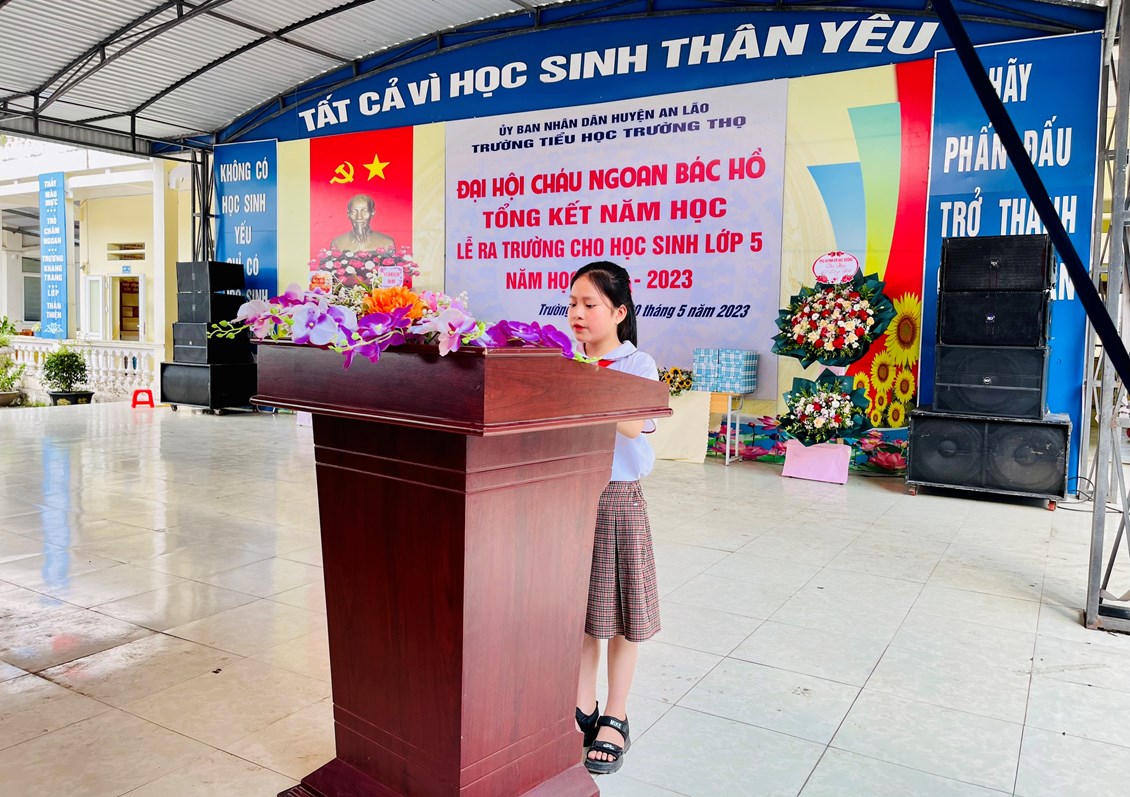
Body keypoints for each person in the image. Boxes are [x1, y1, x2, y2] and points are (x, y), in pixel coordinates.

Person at [569, 261, 661, 776]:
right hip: (567, 498)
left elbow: (633, 424)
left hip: (617, 498)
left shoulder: (637, 364)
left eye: (590, 305)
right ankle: (581, 707)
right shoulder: (565, 360)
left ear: (620, 312)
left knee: (622, 614)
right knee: (580, 610)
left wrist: (583, 381)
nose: (577, 314)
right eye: (572, 304)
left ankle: (616, 715)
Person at [330, 193, 395, 252]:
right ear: (348, 214)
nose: (359, 217)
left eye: (364, 211)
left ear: (372, 213)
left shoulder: (387, 243)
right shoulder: (337, 243)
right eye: (354, 211)